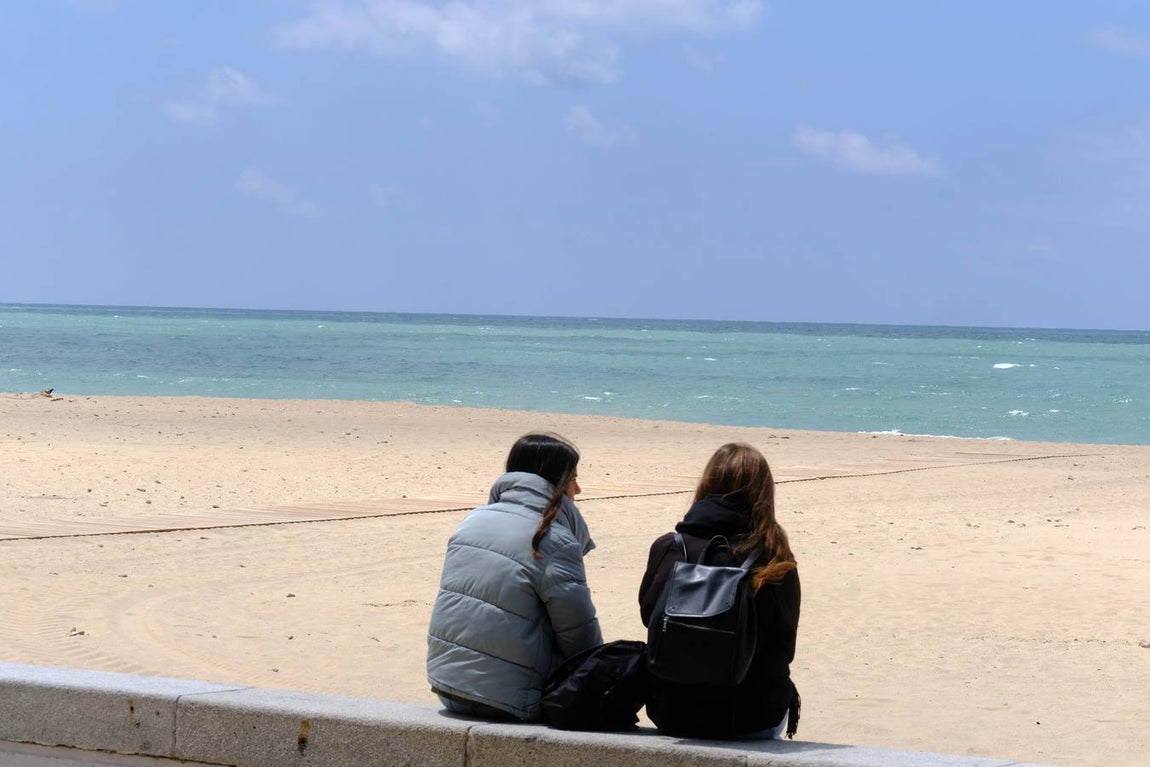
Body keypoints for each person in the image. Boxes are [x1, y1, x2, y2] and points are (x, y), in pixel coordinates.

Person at [427, 432, 603, 721]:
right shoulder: (553, 539)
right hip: (509, 699)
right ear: (557, 483)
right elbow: (580, 636)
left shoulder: (472, 520)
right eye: (574, 479)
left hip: (447, 685)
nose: (579, 489)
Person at [638, 442, 801, 739]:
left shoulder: (669, 548)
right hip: (752, 715)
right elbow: (784, 646)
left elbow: (650, 617)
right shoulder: (774, 556)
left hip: (673, 711)